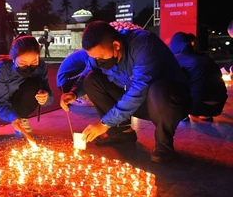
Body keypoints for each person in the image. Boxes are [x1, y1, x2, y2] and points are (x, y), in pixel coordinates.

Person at [60, 21, 191, 163]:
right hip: (138, 102)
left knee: (158, 89)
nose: (97, 61)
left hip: (169, 102)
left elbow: (139, 90)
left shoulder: (144, 45)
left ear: (116, 45)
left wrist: (104, 124)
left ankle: (163, 144)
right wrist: (73, 92)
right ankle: (121, 132)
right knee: (92, 79)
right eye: (93, 58)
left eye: (100, 58)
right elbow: (87, 72)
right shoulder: (100, 55)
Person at [0, 35, 54, 139]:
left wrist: (45, 97)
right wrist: (12, 118)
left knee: (33, 82)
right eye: (23, 63)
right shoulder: (1, 69)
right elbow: (0, 102)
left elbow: (49, 96)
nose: (29, 68)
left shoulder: (40, 66)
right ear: (13, 59)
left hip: (21, 103)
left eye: (34, 62)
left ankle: (23, 120)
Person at [169, 32, 227, 121]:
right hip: (218, 105)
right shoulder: (205, 58)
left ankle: (182, 114)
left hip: (197, 104)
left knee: (168, 82)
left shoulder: (176, 59)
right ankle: (206, 114)